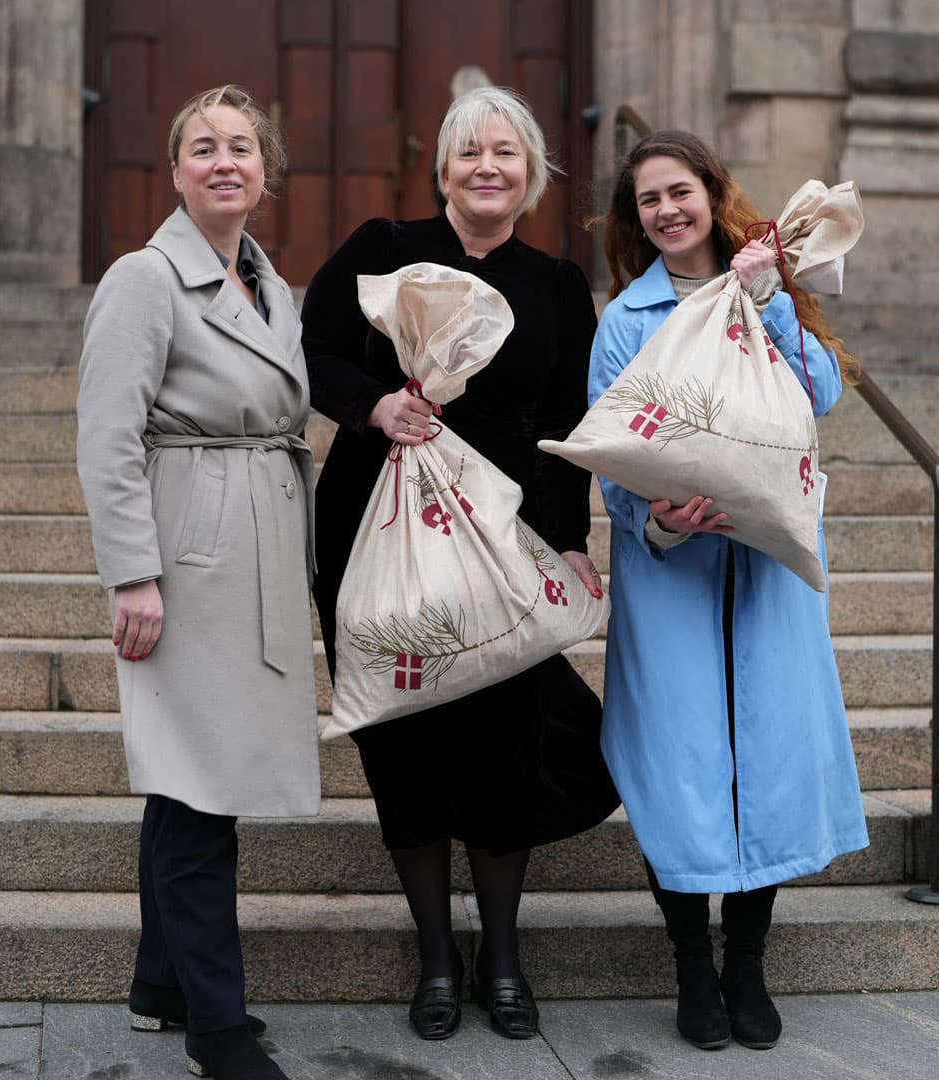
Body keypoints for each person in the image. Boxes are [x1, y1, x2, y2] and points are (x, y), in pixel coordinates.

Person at [301, 85, 619, 1042]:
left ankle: (505, 958)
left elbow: (568, 424)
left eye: (508, 154)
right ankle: (438, 959)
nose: (488, 166)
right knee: (401, 739)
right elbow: (306, 352)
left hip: (504, 540)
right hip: (374, 526)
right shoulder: (379, 251)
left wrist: (570, 539)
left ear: (532, 176)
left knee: (506, 734)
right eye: (470, 151)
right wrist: (371, 405)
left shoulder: (559, 284)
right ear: (441, 167)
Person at [588, 131, 868, 1052]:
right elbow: (613, 462)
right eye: (648, 202)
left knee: (769, 756)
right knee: (682, 768)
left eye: (680, 192)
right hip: (674, 575)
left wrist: (770, 301)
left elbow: (822, 391)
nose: (667, 211)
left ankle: (746, 963)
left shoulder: (767, 286)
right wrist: (661, 522)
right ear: (637, 221)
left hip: (769, 573)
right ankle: (690, 966)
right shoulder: (627, 319)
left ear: (712, 194)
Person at [77, 85, 318, 1080]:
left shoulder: (274, 285)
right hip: (188, 550)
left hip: (256, 543)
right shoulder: (144, 278)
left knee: (189, 780)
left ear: (265, 170)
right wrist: (133, 573)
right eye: (204, 148)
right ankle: (218, 1028)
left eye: (243, 147)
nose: (226, 162)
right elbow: (104, 436)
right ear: (176, 172)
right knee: (196, 786)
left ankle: (159, 987)